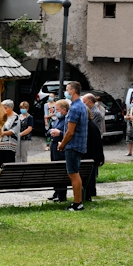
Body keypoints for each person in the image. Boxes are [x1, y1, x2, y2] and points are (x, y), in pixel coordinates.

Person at [58, 81, 88, 211]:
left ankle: (77, 203)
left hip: (73, 145)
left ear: (73, 91)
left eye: (67, 89)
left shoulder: (75, 108)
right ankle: (78, 201)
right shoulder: (82, 106)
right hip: (80, 144)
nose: (66, 92)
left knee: (73, 174)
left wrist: (62, 145)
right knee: (75, 173)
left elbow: (70, 131)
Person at [46, 99, 70, 202]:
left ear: (64, 110)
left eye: (58, 109)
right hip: (53, 145)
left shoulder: (67, 120)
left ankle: (61, 194)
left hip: (61, 146)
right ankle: (56, 192)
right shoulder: (57, 119)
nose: (56, 111)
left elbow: (68, 133)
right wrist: (51, 131)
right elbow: (49, 130)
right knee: (54, 169)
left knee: (60, 170)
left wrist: (59, 133)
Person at [83, 101, 105, 202]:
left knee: (89, 175)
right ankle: (90, 192)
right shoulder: (92, 125)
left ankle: (89, 193)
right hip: (93, 155)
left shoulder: (88, 126)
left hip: (89, 155)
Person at [0, 100, 19, 166]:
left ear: (11, 108)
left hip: (9, 145)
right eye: (2, 107)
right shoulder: (1, 116)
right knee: (0, 163)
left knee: (8, 163)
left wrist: (2, 133)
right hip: (0, 145)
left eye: (5, 108)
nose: (3, 109)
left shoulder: (16, 117)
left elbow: (13, 131)